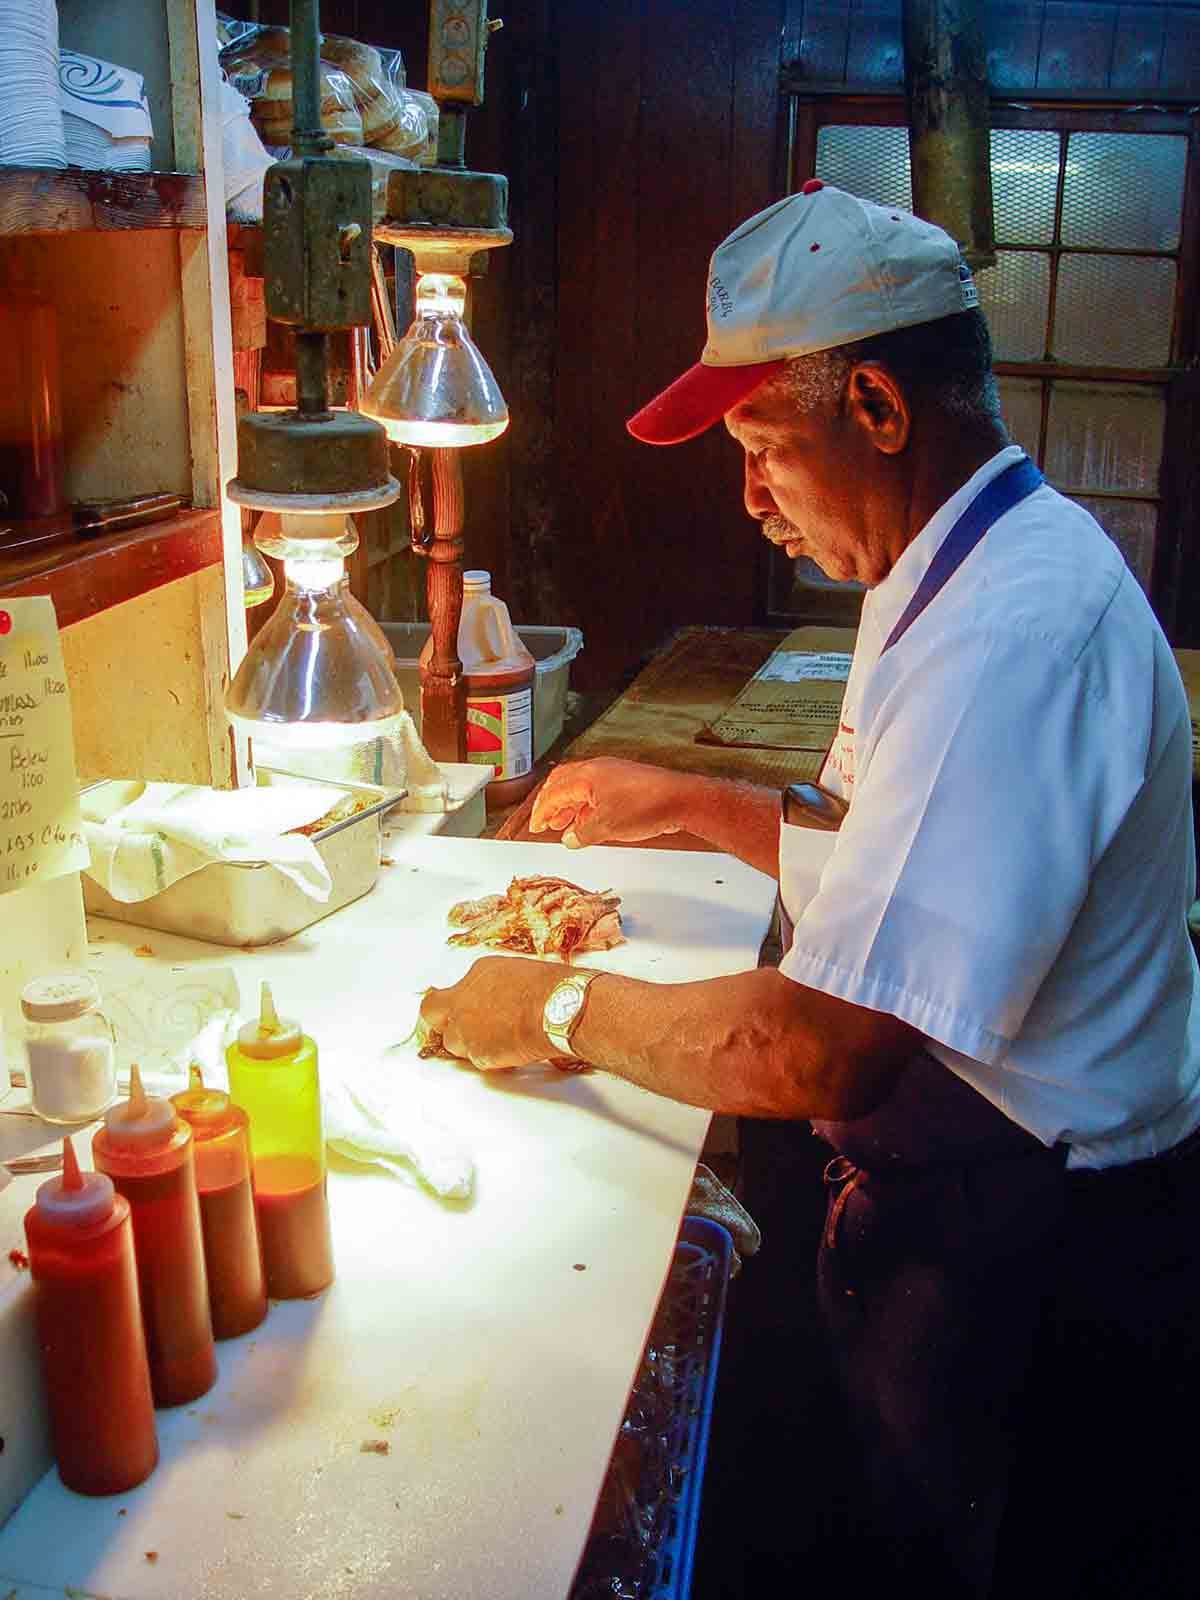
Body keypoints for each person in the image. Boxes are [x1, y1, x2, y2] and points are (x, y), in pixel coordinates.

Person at [420, 183, 1200, 1597]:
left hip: (1040, 1256)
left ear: (883, 410)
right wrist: (691, 803)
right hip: (975, 1196)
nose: (748, 496)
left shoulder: (1014, 634)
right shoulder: (947, 563)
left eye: (764, 447)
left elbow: (816, 1040)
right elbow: (903, 851)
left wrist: (547, 1004)